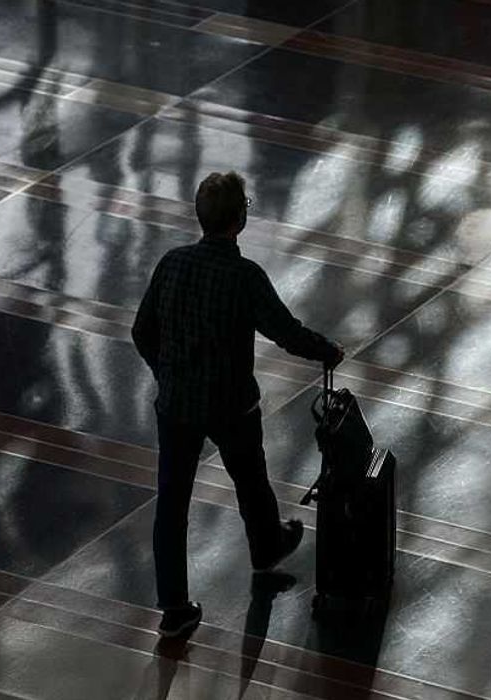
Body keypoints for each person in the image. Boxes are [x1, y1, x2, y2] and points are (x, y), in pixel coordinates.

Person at [133, 171, 344, 638]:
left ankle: (174, 607)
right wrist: (327, 350)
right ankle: (266, 545)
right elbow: (285, 331)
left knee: (172, 503)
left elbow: (141, 331)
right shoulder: (244, 276)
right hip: (231, 403)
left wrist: (166, 372)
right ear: (240, 219)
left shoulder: (172, 264)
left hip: (177, 405)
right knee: (250, 477)